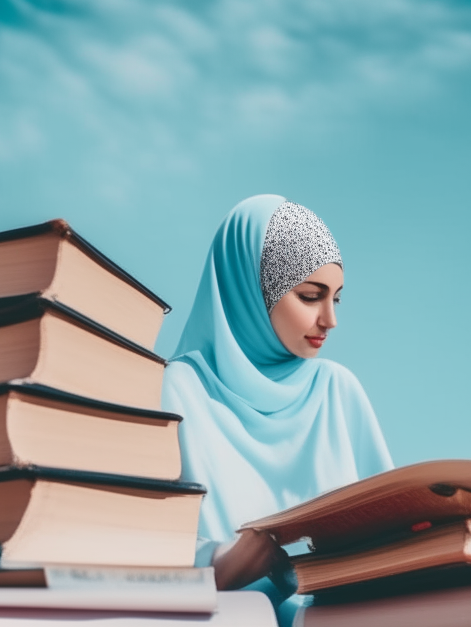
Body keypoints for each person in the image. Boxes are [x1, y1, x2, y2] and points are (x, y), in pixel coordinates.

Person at [162, 194, 393, 592]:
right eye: (309, 296)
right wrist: (218, 564)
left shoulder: (338, 391)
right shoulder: (177, 390)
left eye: (335, 299)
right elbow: (139, 538)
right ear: (248, 288)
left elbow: (393, 530)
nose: (330, 320)